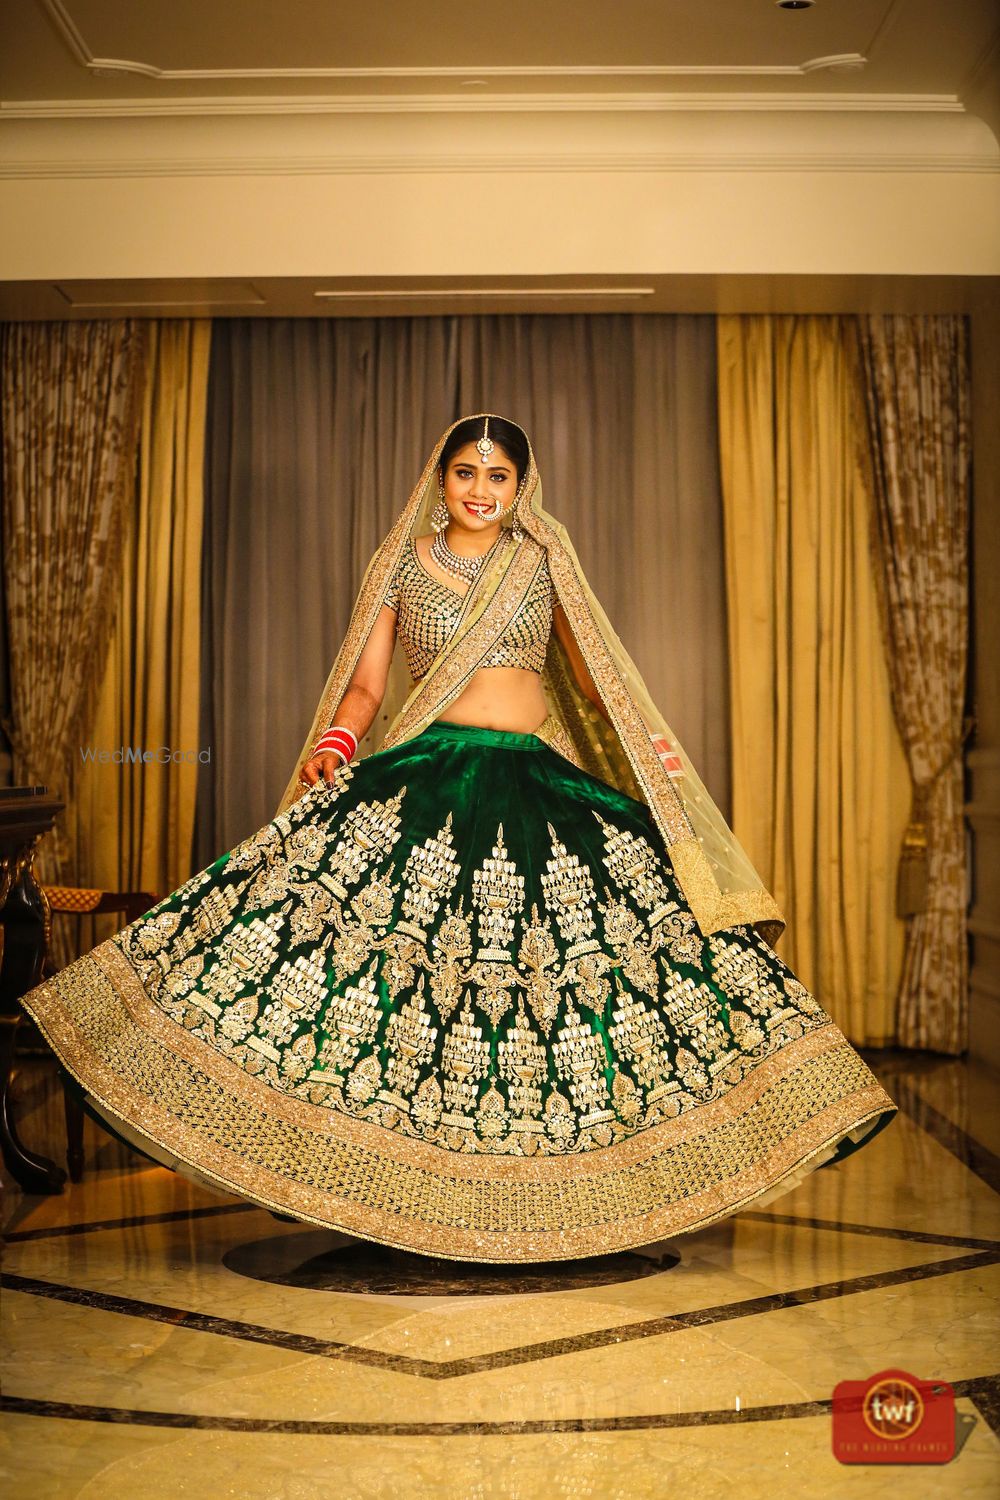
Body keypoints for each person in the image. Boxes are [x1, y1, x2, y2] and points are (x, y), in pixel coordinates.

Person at [20, 414, 897, 1263]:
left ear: (523, 487)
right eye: (467, 472)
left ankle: (560, 1196)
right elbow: (366, 688)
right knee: (389, 990)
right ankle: (402, 1190)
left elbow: (596, 684)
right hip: (427, 780)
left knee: (593, 979)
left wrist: (646, 747)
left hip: (537, 784)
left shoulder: (541, 561)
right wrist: (335, 742)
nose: (482, 489)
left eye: (499, 476)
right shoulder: (401, 563)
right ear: (441, 479)